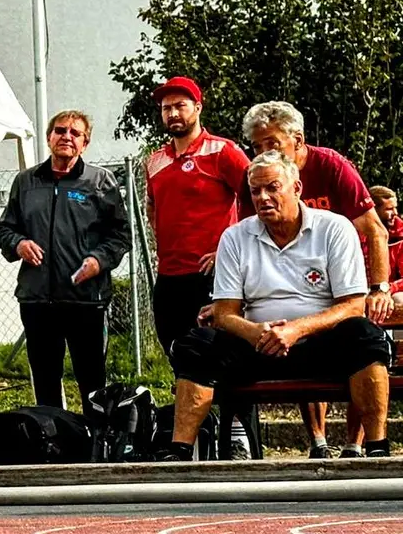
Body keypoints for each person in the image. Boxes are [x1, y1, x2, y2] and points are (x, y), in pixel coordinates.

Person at [159, 152, 391, 460]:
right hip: (257, 347)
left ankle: (377, 449)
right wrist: (254, 332)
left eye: (272, 188)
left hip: (319, 344)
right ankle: (179, 452)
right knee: (197, 345)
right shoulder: (235, 237)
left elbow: (352, 306)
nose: (263, 197)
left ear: (296, 188)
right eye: (256, 191)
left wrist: (296, 329)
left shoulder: (335, 229)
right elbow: (224, 312)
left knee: (366, 336)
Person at [235, 101, 391, 458]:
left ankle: (358, 442)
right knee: (295, 325)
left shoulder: (331, 166)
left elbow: (374, 229)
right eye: (256, 147)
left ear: (297, 140)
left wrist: (377, 287)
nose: (263, 152)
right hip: (303, 275)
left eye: (271, 144)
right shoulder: (259, 180)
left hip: (351, 271)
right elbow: (250, 235)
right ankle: (318, 440)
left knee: (361, 341)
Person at [0, 110, 131, 413]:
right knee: (45, 380)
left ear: (85, 143)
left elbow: (121, 236)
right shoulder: (25, 182)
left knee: (92, 381)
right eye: (59, 131)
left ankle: (96, 450)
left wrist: (98, 261)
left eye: (75, 133)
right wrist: (19, 244)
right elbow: (5, 229)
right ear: (49, 138)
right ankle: (54, 447)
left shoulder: (100, 181)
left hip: (86, 301)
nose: (66, 136)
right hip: (36, 301)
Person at [145, 78, 250, 357]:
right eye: (167, 108)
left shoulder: (223, 151)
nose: (173, 113)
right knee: (177, 353)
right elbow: (152, 206)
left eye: (180, 105)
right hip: (169, 276)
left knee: (226, 356)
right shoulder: (155, 161)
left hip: (213, 275)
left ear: (198, 108)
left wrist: (228, 249)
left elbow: (256, 200)